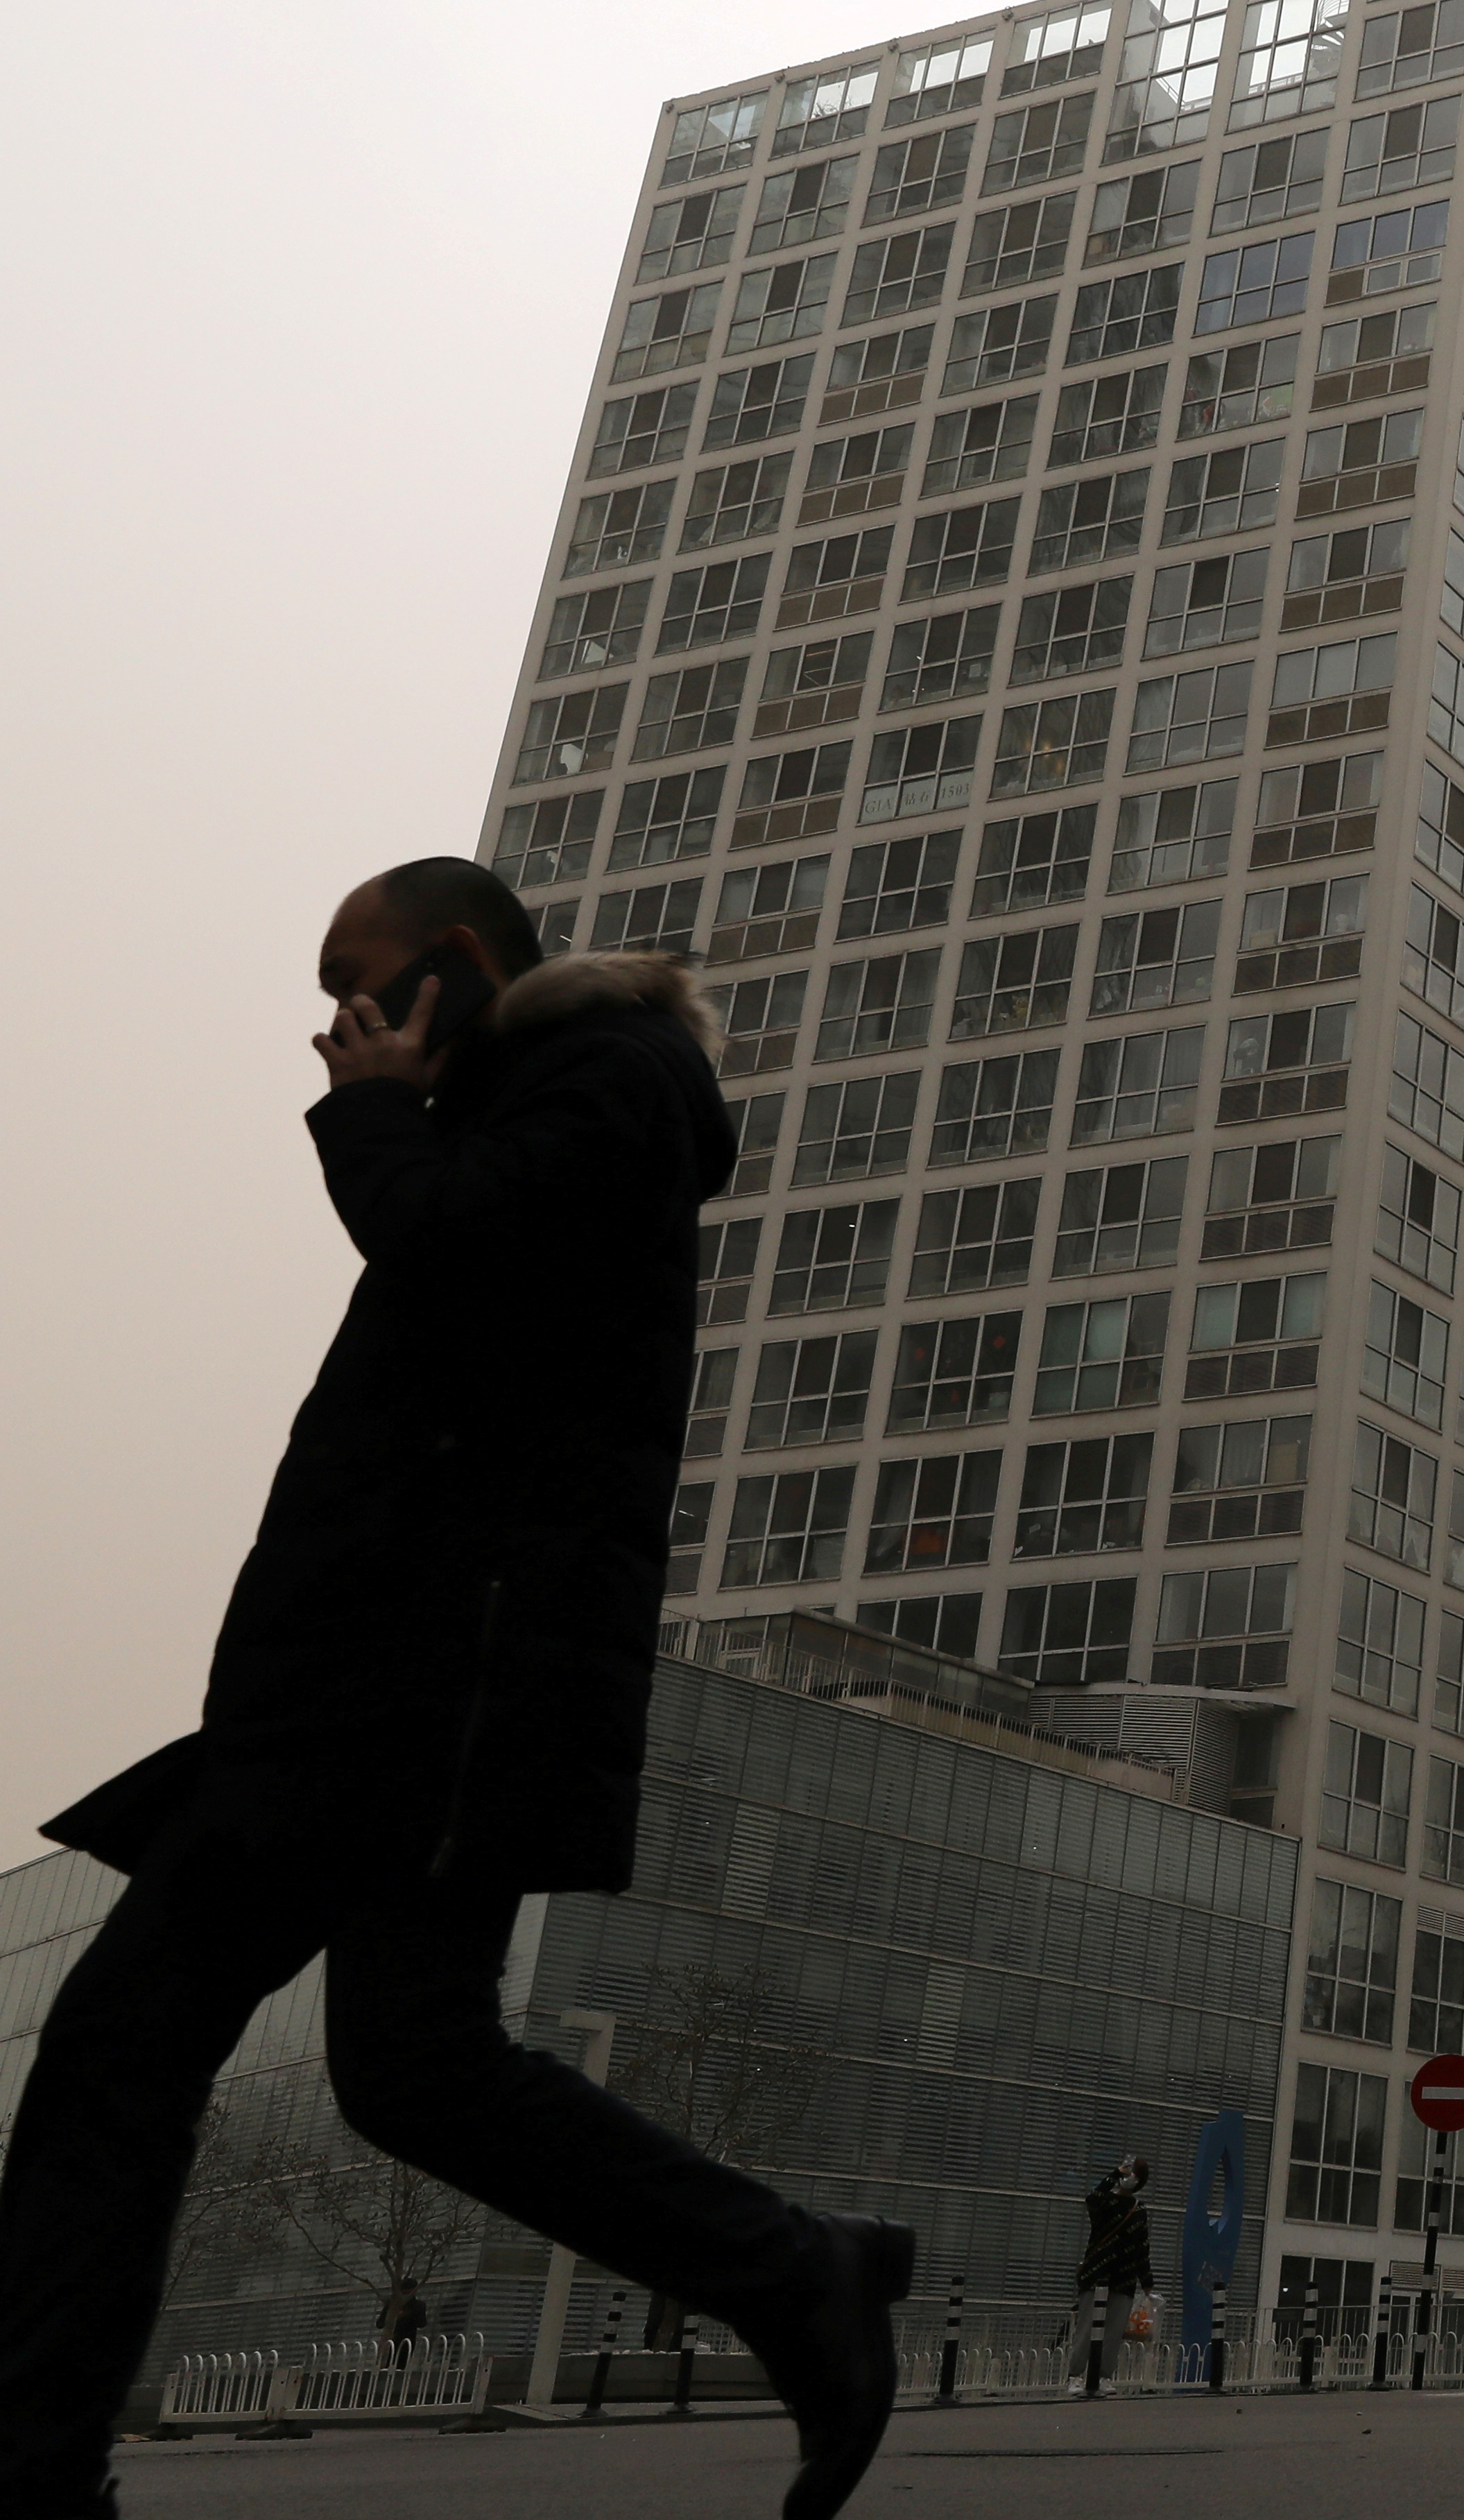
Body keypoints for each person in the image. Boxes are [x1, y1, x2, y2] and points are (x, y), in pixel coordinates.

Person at [0, 862, 913, 2520]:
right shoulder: (520, 1101)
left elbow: (448, 1247)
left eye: (364, 991)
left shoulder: (614, 1082)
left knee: (185, 2051)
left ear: (462, 963)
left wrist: (370, 1115)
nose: (340, 1029)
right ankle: (796, 2276)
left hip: (438, 1685)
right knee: (344, 2064)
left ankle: (30, 2467)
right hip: (380, 1682)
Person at [1074, 2160, 1153, 2344]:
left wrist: (1147, 2282)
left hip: (1124, 2279)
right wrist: (1114, 2174)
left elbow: (1143, 2247)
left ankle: (1104, 2373)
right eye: (1130, 2172)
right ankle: (1076, 2371)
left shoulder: (1139, 2210)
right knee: (1086, 2329)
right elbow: (1092, 2199)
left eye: (1136, 2175)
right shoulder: (1106, 2202)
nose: (1131, 2177)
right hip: (1096, 2275)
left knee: (1114, 2332)